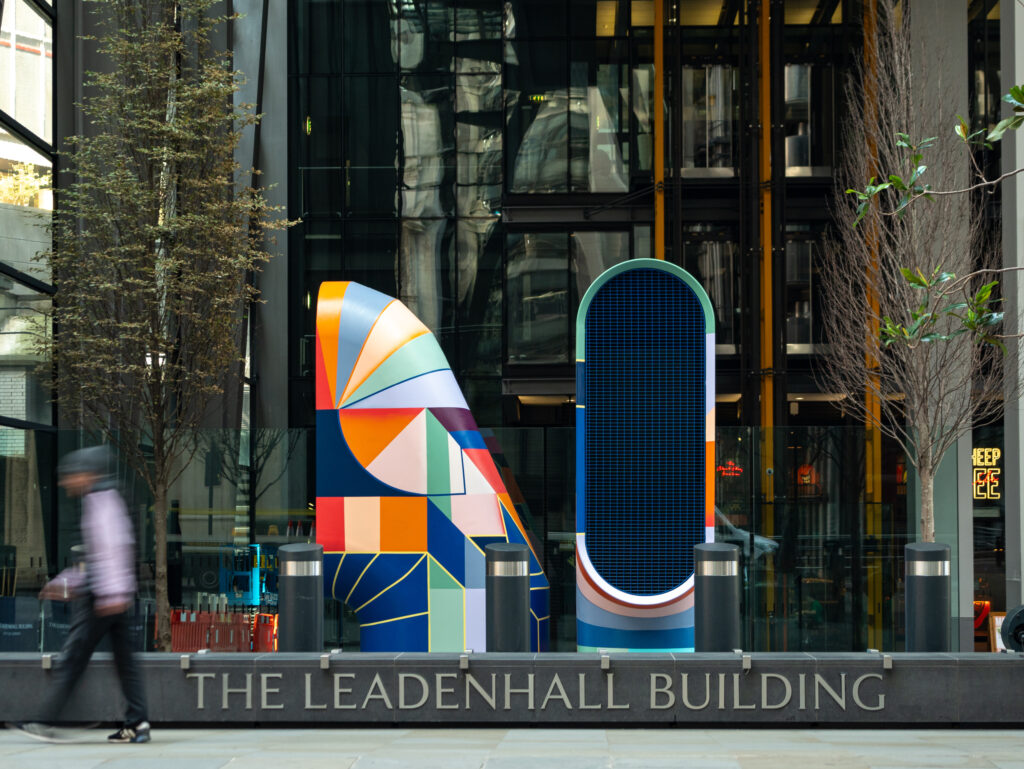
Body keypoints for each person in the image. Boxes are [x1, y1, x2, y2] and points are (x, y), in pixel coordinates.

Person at [10, 446, 150, 744]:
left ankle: (44, 720)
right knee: (125, 661)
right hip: (113, 593)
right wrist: (65, 582)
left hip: (102, 597)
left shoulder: (100, 499)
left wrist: (110, 594)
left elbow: (114, 548)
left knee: (73, 658)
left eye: (69, 476)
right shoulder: (105, 496)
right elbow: (98, 555)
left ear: (85, 474)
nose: (64, 483)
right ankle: (137, 723)